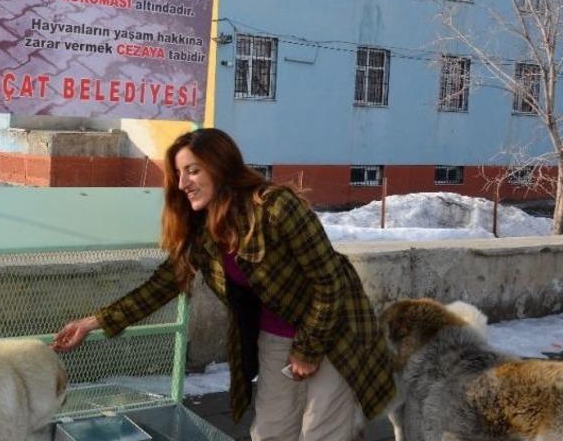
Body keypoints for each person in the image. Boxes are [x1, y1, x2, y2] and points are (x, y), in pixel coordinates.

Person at [53, 128, 395, 441]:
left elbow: (330, 282)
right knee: (271, 432)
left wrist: (307, 349)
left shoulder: (276, 207)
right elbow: (162, 284)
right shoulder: (202, 231)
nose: (183, 182)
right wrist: (93, 322)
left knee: (323, 432)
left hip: (335, 330)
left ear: (222, 167)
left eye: (194, 170)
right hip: (276, 337)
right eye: (179, 173)